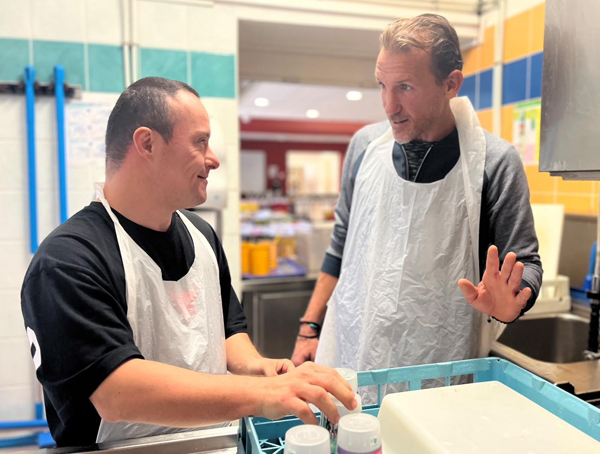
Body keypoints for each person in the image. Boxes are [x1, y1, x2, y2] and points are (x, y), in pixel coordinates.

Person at [21, 78, 356, 448]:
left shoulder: (202, 236)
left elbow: (227, 330)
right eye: (200, 142)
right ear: (147, 143)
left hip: (213, 441)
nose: (213, 159)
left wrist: (255, 366)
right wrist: (262, 393)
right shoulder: (67, 261)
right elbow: (117, 392)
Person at [291, 14, 542, 396]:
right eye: (383, 85)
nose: (389, 106)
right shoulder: (364, 148)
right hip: (354, 354)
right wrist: (309, 328)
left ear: (450, 84)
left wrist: (512, 302)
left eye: (405, 87)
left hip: (441, 370)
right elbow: (340, 245)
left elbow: (527, 262)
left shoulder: (494, 162)